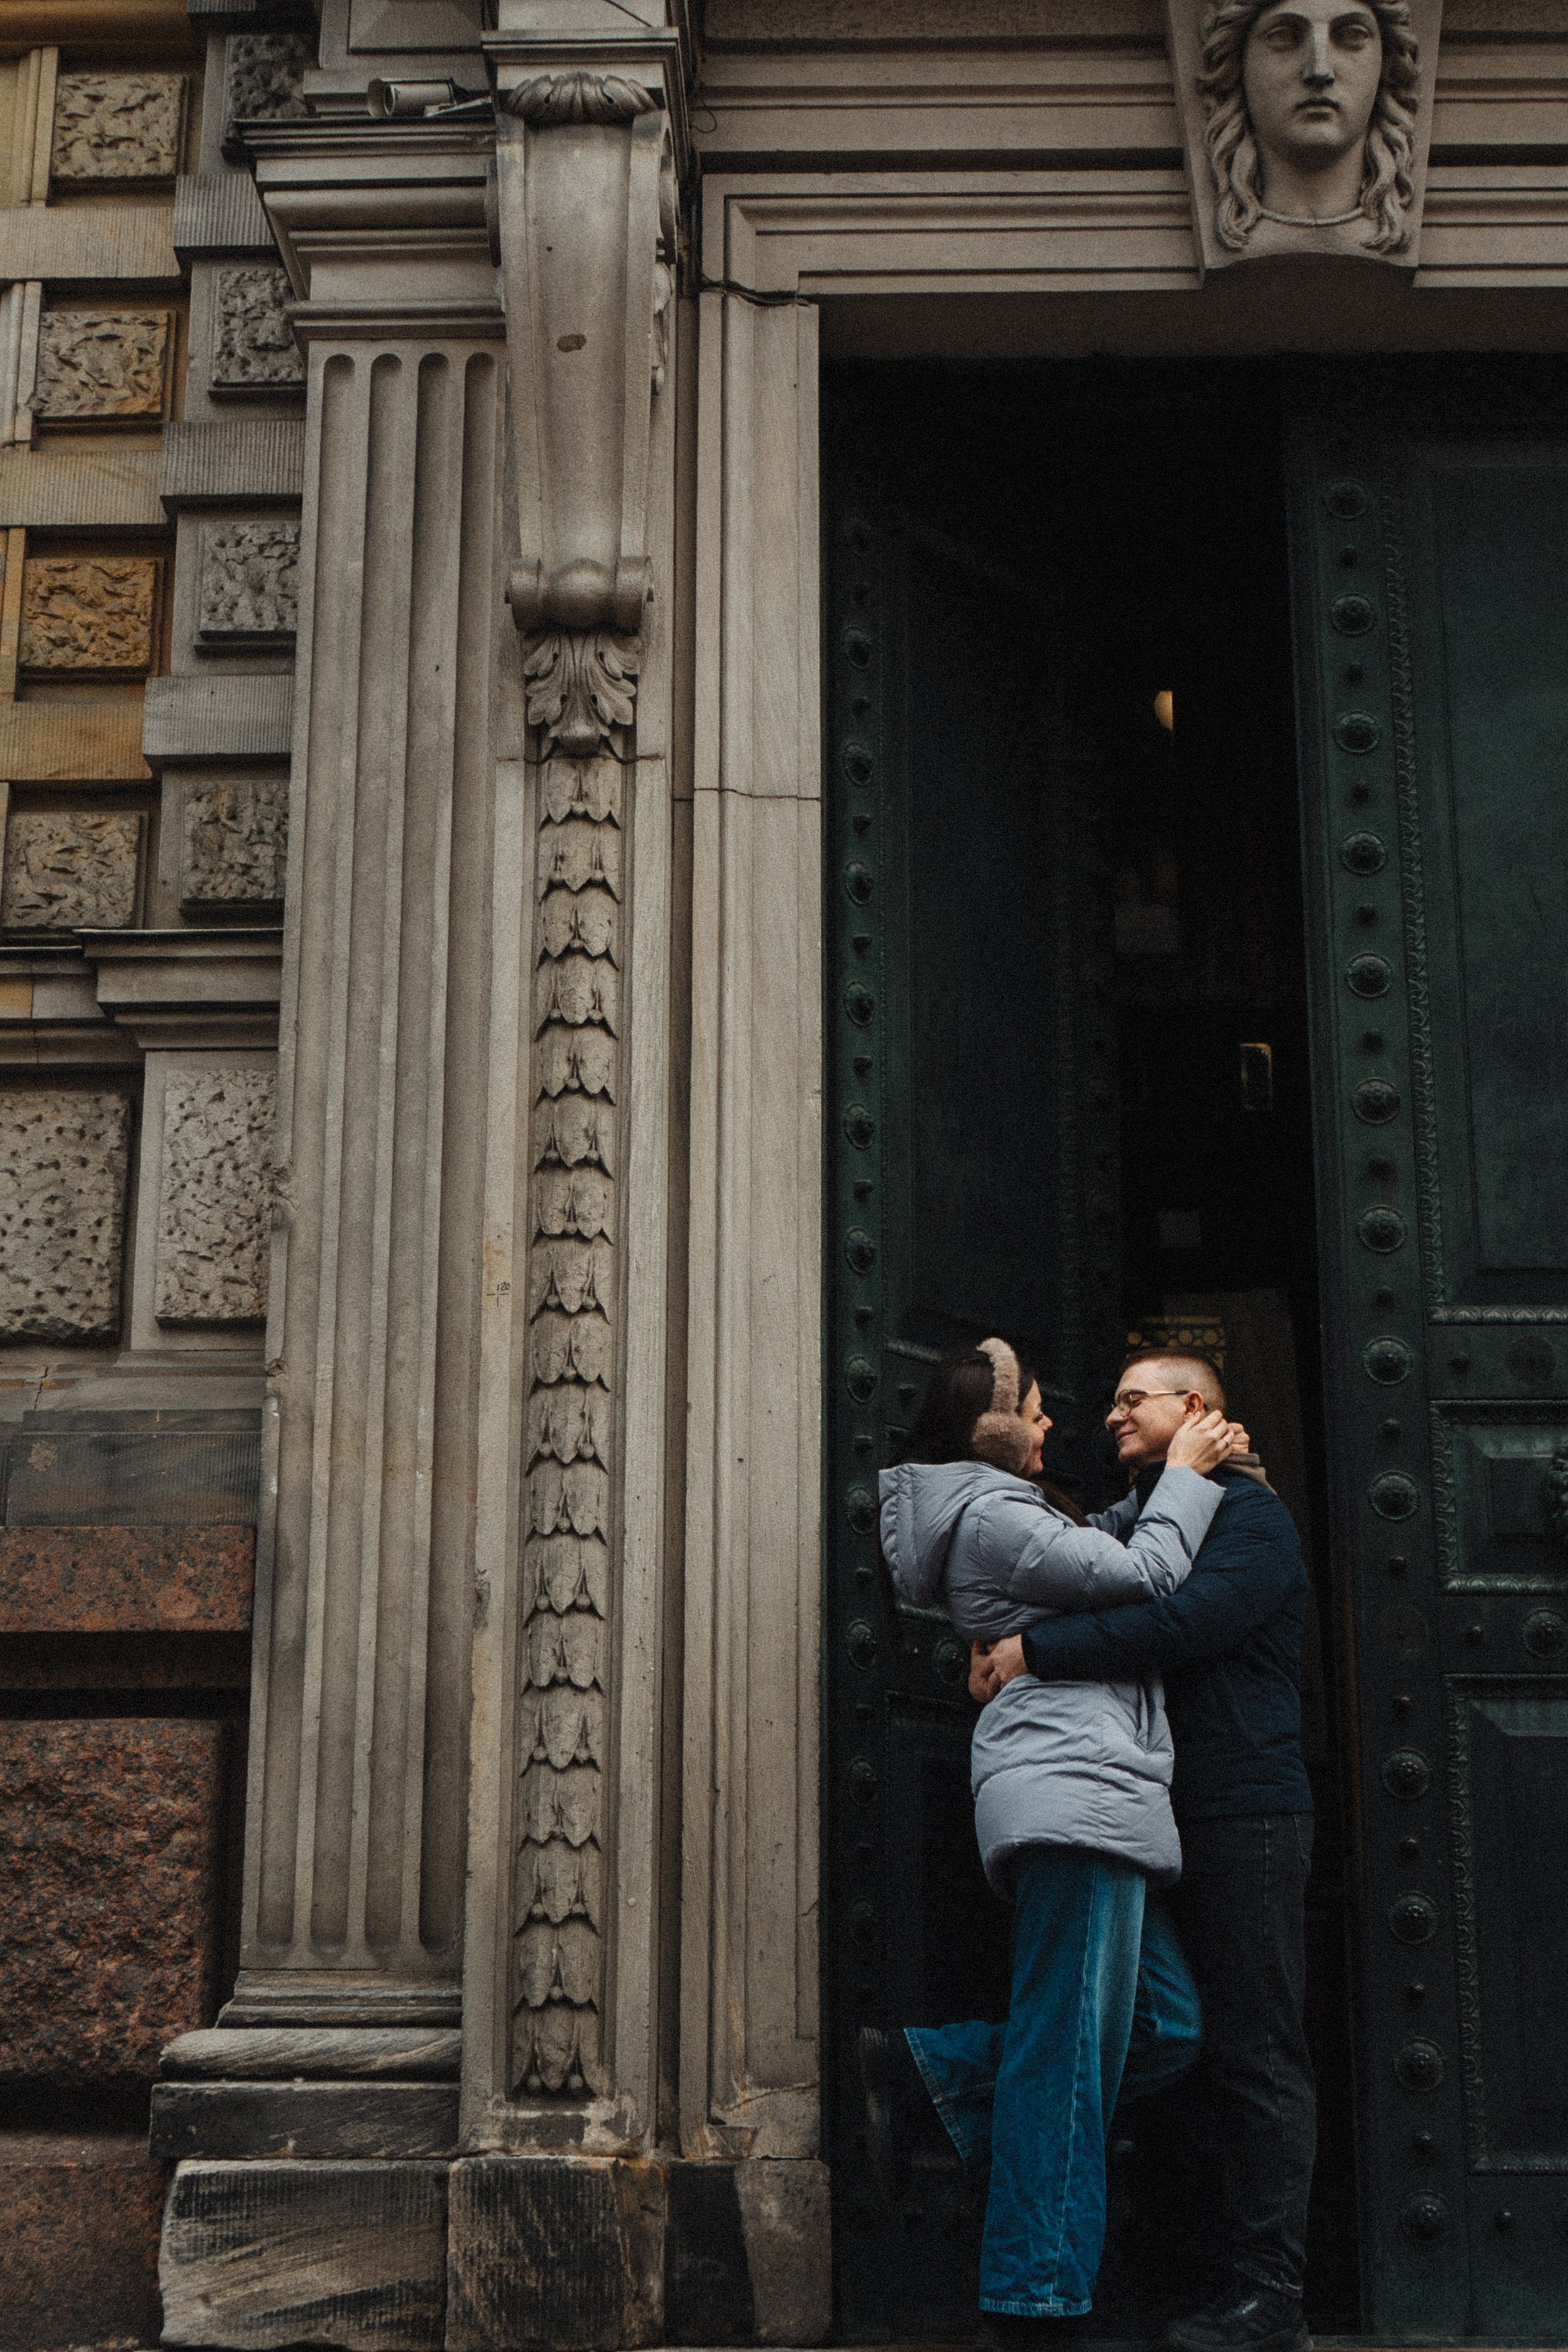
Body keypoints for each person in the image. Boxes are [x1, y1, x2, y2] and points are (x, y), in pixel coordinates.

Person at [861, 1337, 1249, 2351]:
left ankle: (932, 2073)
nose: (1048, 1424)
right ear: (991, 1429)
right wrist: (1185, 1475)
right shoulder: (995, 1514)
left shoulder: (1006, 1512)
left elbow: (1097, 1548)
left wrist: (1169, 1475)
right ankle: (1034, 2300)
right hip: (1076, 1792)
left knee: (1163, 2028)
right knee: (1065, 2059)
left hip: (1092, 1792)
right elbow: (1150, 1571)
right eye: (1033, 1410)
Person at [973, 1350, 1315, 2352]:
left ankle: (1271, 2299)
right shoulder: (1143, 1517)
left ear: (1196, 1407)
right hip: (1149, 1816)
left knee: (1254, 2055)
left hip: (1245, 1816)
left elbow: (1181, 1623)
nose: (1113, 1415)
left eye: (1136, 1400)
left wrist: (1033, 1654)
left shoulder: (1252, 1519)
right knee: (1163, 2035)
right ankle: (1180, 2275)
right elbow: (1081, 1574)